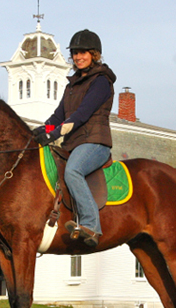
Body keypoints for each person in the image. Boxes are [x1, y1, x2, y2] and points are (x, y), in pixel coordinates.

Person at [33, 29, 116, 246]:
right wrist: (41, 130)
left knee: (73, 170)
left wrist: (54, 133)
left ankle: (91, 225)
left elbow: (81, 115)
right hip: (74, 143)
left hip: (94, 143)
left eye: (83, 53)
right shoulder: (73, 84)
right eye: (75, 53)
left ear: (94, 54)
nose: (78, 57)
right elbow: (59, 115)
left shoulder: (101, 82)